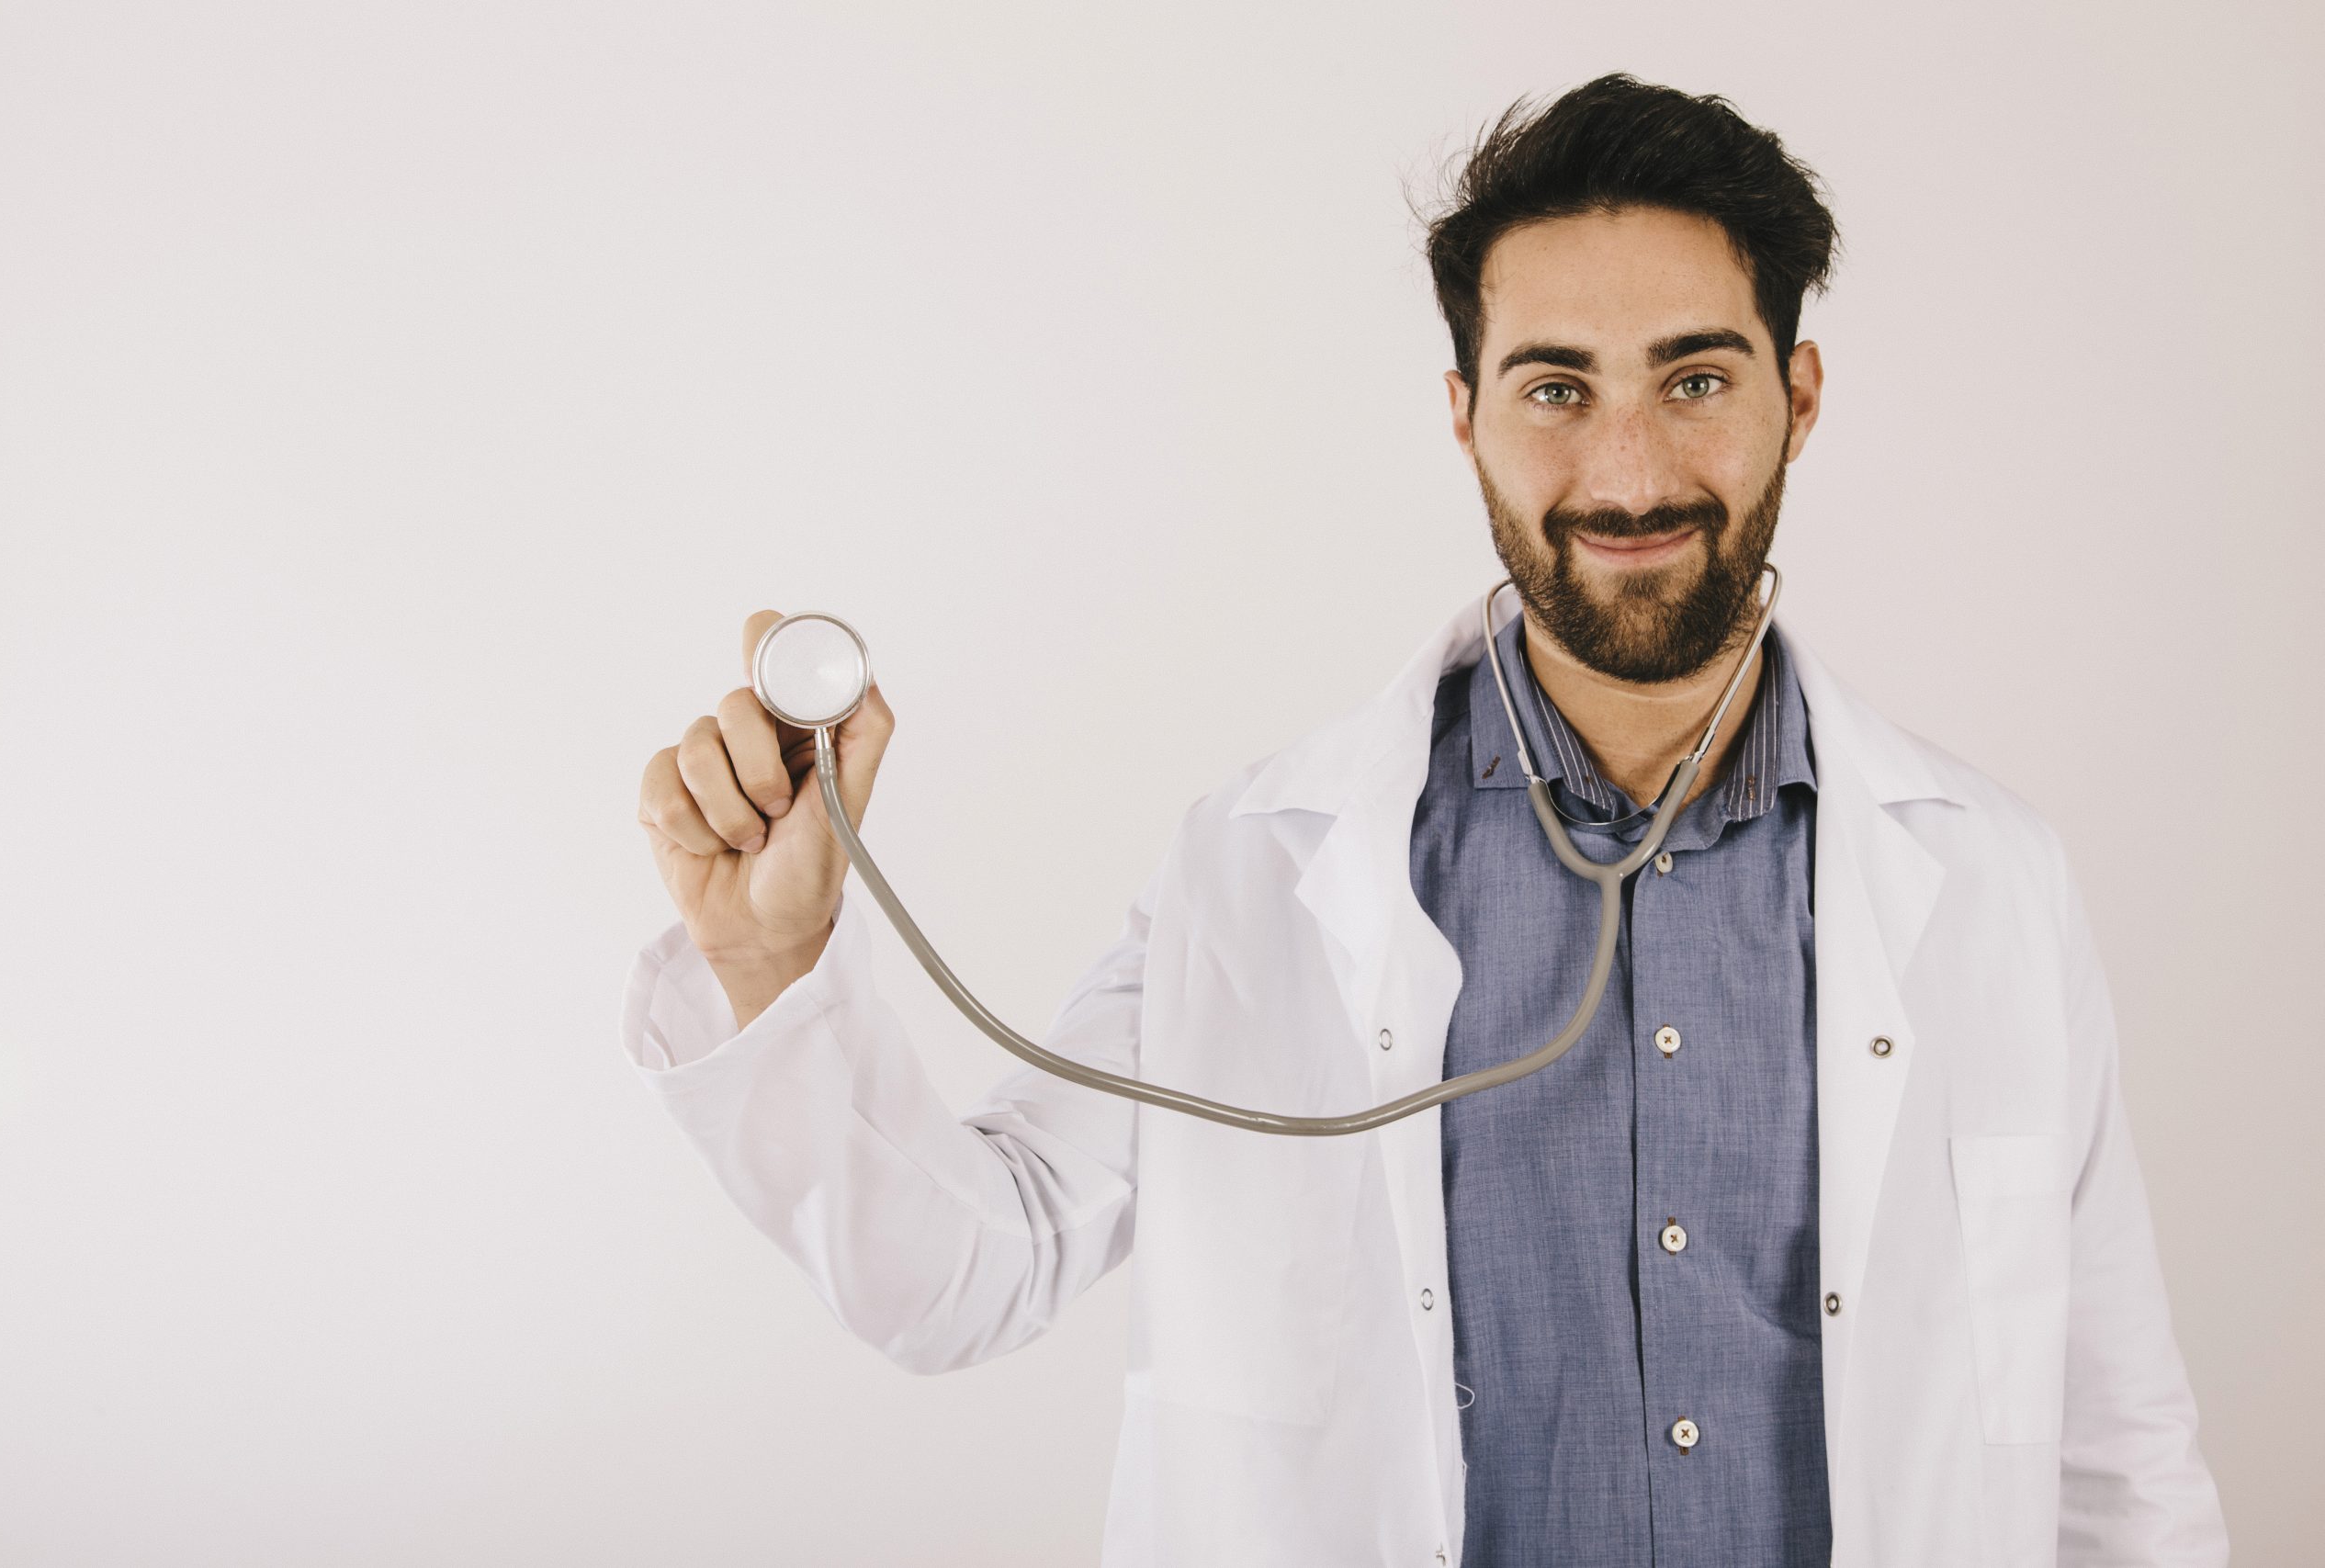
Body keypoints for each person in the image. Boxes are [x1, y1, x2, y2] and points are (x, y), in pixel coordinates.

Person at [622, 73, 2228, 1568]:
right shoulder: (1262, 871)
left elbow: (2114, 1457)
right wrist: (768, 970)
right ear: (1462, 412)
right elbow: (965, 1273)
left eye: (1696, 378)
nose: (1627, 469)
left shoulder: (1993, 882)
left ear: (1797, 398)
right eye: (1555, 388)